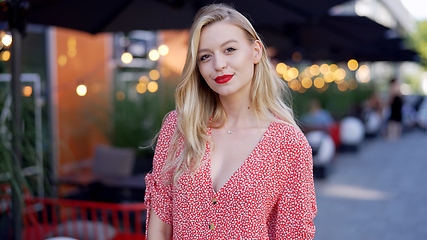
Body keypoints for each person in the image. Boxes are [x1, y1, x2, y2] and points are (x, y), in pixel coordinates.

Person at [144, 3, 317, 239]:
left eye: (229, 50)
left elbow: (294, 234)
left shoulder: (288, 144)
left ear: (256, 51)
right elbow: (159, 227)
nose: (218, 65)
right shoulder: (179, 128)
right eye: (205, 56)